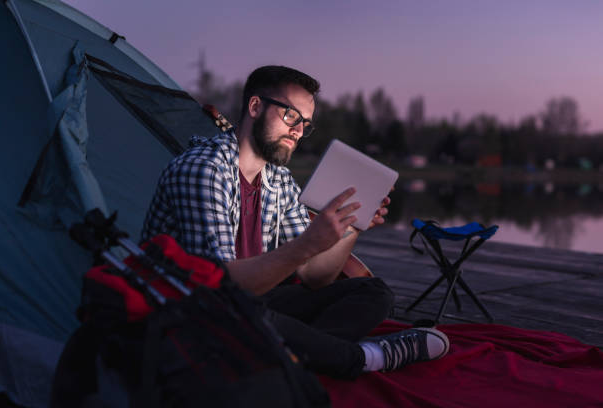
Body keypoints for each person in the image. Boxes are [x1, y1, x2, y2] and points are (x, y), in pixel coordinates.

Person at [142, 65, 449, 379]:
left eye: (305, 123)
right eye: (291, 116)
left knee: (373, 292)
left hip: (254, 301)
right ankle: (360, 357)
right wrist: (306, 245)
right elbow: (222, 286)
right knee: (251, 313)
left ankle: (286, 354)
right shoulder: (204, 170)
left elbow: (315, 277)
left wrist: (350, 226)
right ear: (255, 107)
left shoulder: (279, 179)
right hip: (194, 309)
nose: (299, 131)